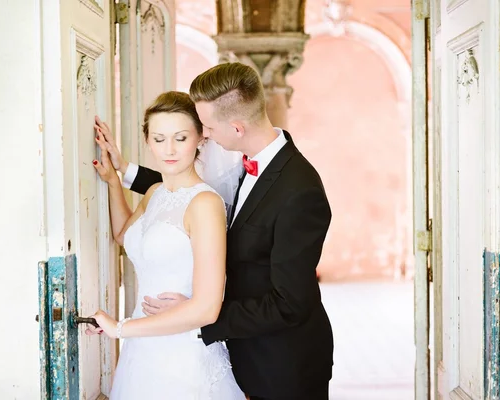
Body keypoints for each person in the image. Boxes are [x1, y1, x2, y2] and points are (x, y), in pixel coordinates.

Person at [97, 62, 334, 400]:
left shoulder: (299, 191)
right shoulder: (245, 166)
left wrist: (199, 313)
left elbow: (290, 304)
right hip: (238, 351)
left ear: (236, 128)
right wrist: (121, 173)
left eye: (205, 127)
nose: (204, 136)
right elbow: (180, 195)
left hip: (283, 365)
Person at [86, 91, 246, 400]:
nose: (169, 150)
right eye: (159, 139)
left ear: (201, 138)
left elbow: (207, 309)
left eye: (180, 138)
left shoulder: (205, 204)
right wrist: (112, 182)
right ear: (147, 140)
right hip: (142, 352)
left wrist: (120, 328)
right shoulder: (155, 193)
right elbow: (124, 235)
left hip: (184, 355)